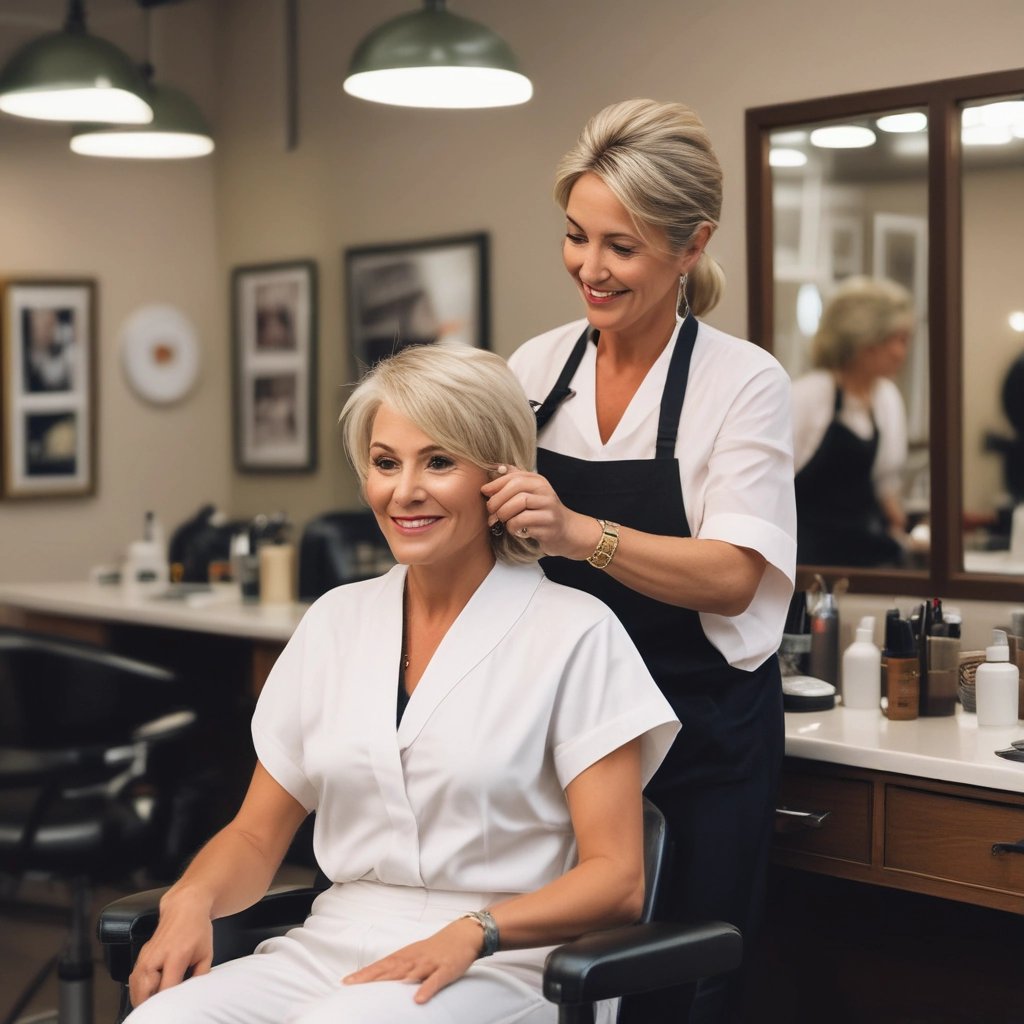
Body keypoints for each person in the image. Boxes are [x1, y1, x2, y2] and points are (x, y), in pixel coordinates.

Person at [124, 342, 679, 1024]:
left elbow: (618, 880)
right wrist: (190, 900)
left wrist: (476, 930)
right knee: (161, 1020)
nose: (403, 490)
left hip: (506, 961)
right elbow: (255, 837)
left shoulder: (575, 635)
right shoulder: (334, 622)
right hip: (332, 943)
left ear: (499, 476)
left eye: (438, 461)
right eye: (385, 463)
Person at [484, 98, 796, 1023]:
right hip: (565, 734)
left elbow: (735, 572)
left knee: (674, 992)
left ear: (690, 246)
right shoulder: (532, 371)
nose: (589, 266)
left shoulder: (742, 382)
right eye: (576, 237)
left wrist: (582, 532)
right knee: (551, 984)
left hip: (698, 733)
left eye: (621, 246)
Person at [792, 275, 914, 567]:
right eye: (898, 340)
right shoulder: (808, 395)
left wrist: (906, 535)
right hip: (808, 558)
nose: (902, 353)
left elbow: (885, 486)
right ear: (866, 341)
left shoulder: (886, 397)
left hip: (866, 555)